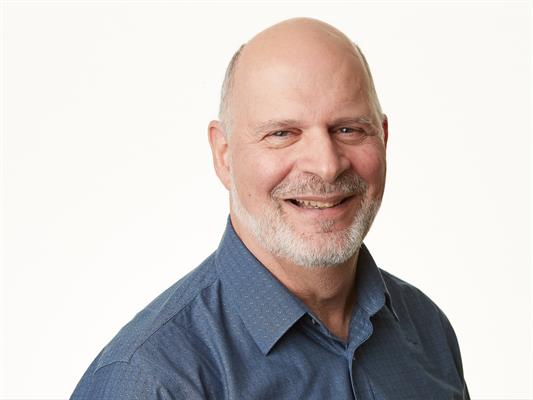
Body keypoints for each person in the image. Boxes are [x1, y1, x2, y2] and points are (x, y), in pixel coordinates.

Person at [71, 17, 469, 399]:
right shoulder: (149, 380)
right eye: (282, 134)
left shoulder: (427, 330)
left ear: (382, 137)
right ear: (224, 155)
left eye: (348, 129)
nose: (327, 165)